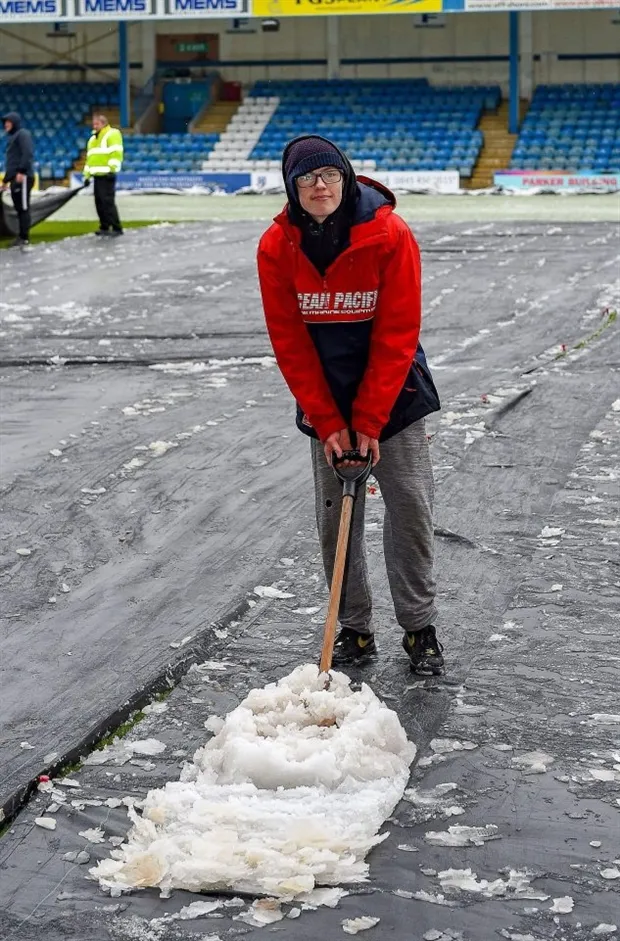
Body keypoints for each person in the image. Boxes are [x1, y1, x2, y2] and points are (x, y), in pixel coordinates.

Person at [257, 135, 444, 675]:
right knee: (337, 517)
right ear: (293, 188)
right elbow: (289, 341)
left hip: (394, 396)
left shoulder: (389, 232)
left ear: (346, 177)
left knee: (409, 508)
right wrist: (329, 421)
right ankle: (355, 630)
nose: (321, 186)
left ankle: (419, 628)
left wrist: (368, 421)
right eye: (308, 178)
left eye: (331, 175)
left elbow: (398, 333)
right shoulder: (276, 246)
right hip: (327, 400)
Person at [84, 113, 124, 237]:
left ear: (103, 123)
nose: (94, 126)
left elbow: (116, 152)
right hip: (97, 176)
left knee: (108, 202)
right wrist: (87, 175)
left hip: (107, 175)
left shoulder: (112, 134)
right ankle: (104, 226)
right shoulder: (92, 139)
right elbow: (89, 159)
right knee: (99, 202)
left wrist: (112, 170)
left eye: (97, 124)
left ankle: (116, 227)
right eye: (94, 124)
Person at [2, 112, 35, 248]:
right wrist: (6, 180)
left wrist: (21, 171)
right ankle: (21, 236)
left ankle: (24, 238)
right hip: (15, 177)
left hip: (23, 177)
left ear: (14, 122)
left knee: (23, 207)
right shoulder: (13, 138)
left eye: (8, 122)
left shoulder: (23, 134)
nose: (5, 124)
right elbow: (12, 162)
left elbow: (28, 153)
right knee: (19, 208)